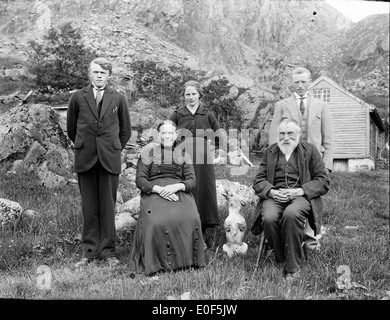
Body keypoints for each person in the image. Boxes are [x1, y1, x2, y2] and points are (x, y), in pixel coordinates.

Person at [67, 57, 132, 267]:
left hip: (109, 159)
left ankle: (108, 252)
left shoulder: (119, 99)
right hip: (85, 158)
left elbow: (125, 131)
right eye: (96, 72)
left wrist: (112, 148)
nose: (99, 76)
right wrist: (85, 145)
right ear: (89, 74)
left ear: (109, 76)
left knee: (108, 207)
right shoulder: (77, 98)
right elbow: (71, 129)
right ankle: (89, 252)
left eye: (103, 73)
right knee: (89, 207)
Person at [251, 119, 330, 280]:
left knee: (291, 215)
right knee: (269, 217)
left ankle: (292, 268)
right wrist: (272, 192)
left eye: (290, 133)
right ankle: (282, 258)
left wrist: (301, 191)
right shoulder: (270, 152)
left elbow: (324, 181)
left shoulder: (310, 151)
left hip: (300, 196)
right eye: (282, 133)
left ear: (299, 135)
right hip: (276, 196)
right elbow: (258, 181)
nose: (285, 138)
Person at [268, 67, 334, 250]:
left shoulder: (321, 106)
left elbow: (328, 138)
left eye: (304, 81)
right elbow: (274, 137)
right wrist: (274, 164)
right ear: (292, 83)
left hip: (313, 162)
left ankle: (311, 240)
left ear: (310, 82)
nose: (300, 86)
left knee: (311, 197)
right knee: (287, 199)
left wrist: (326, 166)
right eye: (296, 82)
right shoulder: (281, 105)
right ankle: (284, 236)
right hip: (288, 161)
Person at [128, 120, 205, 276]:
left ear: (175, 135)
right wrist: (159, 190)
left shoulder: (184, 155)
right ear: (158, 135)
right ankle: (156, 264)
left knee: (192, 217)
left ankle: (189, 261)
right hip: (154, 192)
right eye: (164, 133)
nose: (167, 136)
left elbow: (191, 180)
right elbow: (140, 179)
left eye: (170, 133)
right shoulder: (147, 153)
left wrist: (176, 187)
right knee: (156, 221)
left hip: (178, 191)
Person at [170, 80, 222, 247]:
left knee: (203, 192)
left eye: (194, 94)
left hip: (204, 162)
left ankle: (202, 233)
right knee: (186, 190)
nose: (191, 97)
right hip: (183, 159)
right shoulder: (178, 114)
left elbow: (218, 135)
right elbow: (167, 134)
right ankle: (185, 233)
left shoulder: (207, 114)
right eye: (187, 94)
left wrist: (212, 150)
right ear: (183, 96)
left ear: (200, 95)